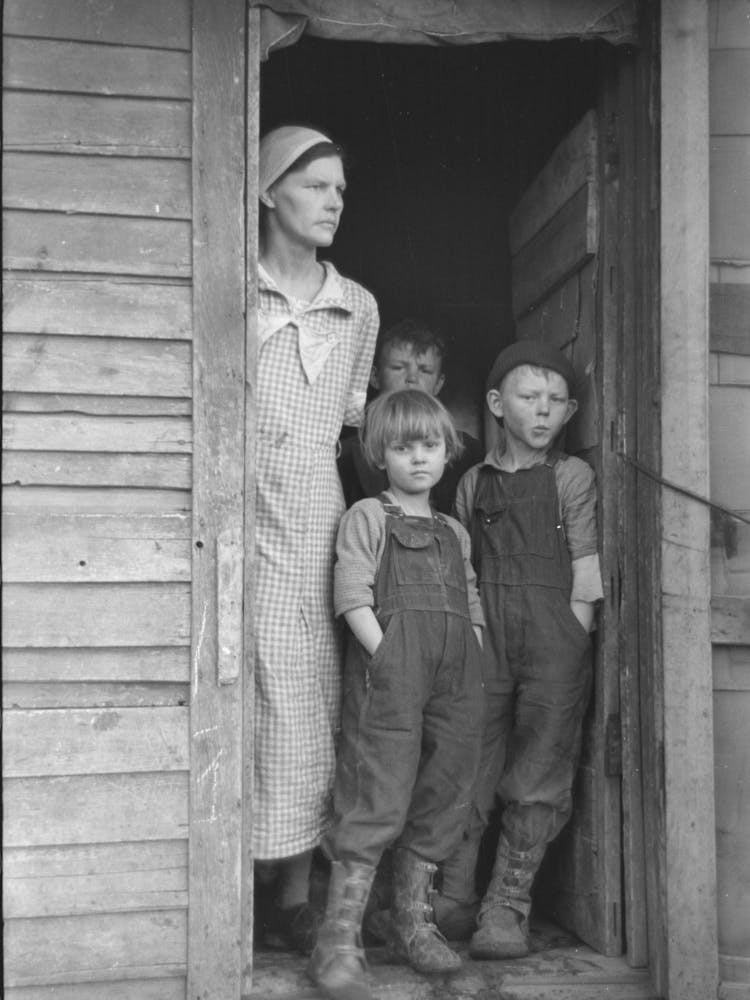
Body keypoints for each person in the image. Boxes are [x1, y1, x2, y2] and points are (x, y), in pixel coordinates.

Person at [309, 389, 485, 1000]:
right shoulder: (367, 516)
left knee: (443, 790)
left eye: (430, 446)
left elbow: (471, 596)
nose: (418, 458)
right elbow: (352, 593)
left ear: (447, 452)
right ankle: (339, 937)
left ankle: (412, 919)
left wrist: (477, 649)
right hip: (391, 674)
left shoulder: (453, 530)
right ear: (380, 454)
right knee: (377, 790)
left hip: (458, 676)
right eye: (403, 447)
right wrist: (386, 654)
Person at [254, 124, 379, 952]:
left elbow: (350, 427)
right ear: (268, 193)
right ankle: (231, 884)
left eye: (340, 187)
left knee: (308, 692)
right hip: (236, 509)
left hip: (311, 515)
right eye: (313, 185)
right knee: (242, 692)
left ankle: (296, 894)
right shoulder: (234, 287)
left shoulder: (357, 305)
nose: (334, 200)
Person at [436, 339, 603, 959]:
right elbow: (461, 572)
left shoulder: (571, 476)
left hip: (552, 642)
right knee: (470, 766)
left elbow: (586, 570)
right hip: (485, 643)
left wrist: (571, 638)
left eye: (556, 401)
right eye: (529, 398)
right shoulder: (472, 484)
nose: (543, 411)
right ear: (496, 403)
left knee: (538, 774)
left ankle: (506, 907)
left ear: (570, 411)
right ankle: (452, 899)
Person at [337, 318, 484, 513]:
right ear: (374, 376)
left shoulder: (466, 452)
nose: (412, 379)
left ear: (439, 384)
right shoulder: (345, 454)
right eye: (398, 368)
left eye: (425, 370)